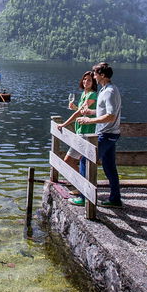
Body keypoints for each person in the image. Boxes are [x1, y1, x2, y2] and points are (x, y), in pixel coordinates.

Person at [76, 62, 122, 207]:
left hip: (106, 134)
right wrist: (91, 112)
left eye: (95, 74)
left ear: (102, 75)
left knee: (85, 160)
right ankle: (115, 199)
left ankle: (84, 197)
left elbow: (110, 116)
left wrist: (89, 120)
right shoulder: (106, 89)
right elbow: (104, 111)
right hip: (110, 134)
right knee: (109, 167)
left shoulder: (109, 92)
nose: (94, 76)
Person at [57, 71, 98, 206]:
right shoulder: (84, 94)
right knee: (77, 162)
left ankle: (82, 189)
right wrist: (75, 107)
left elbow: (79, 112)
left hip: (87, 133)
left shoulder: (92, 95)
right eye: (85, 79)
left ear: (94, 83)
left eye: (89, 80)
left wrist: (64, 124)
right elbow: (80, 110)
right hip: (80, 131)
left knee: (68, 160)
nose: (86, 82)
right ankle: (81, 187)